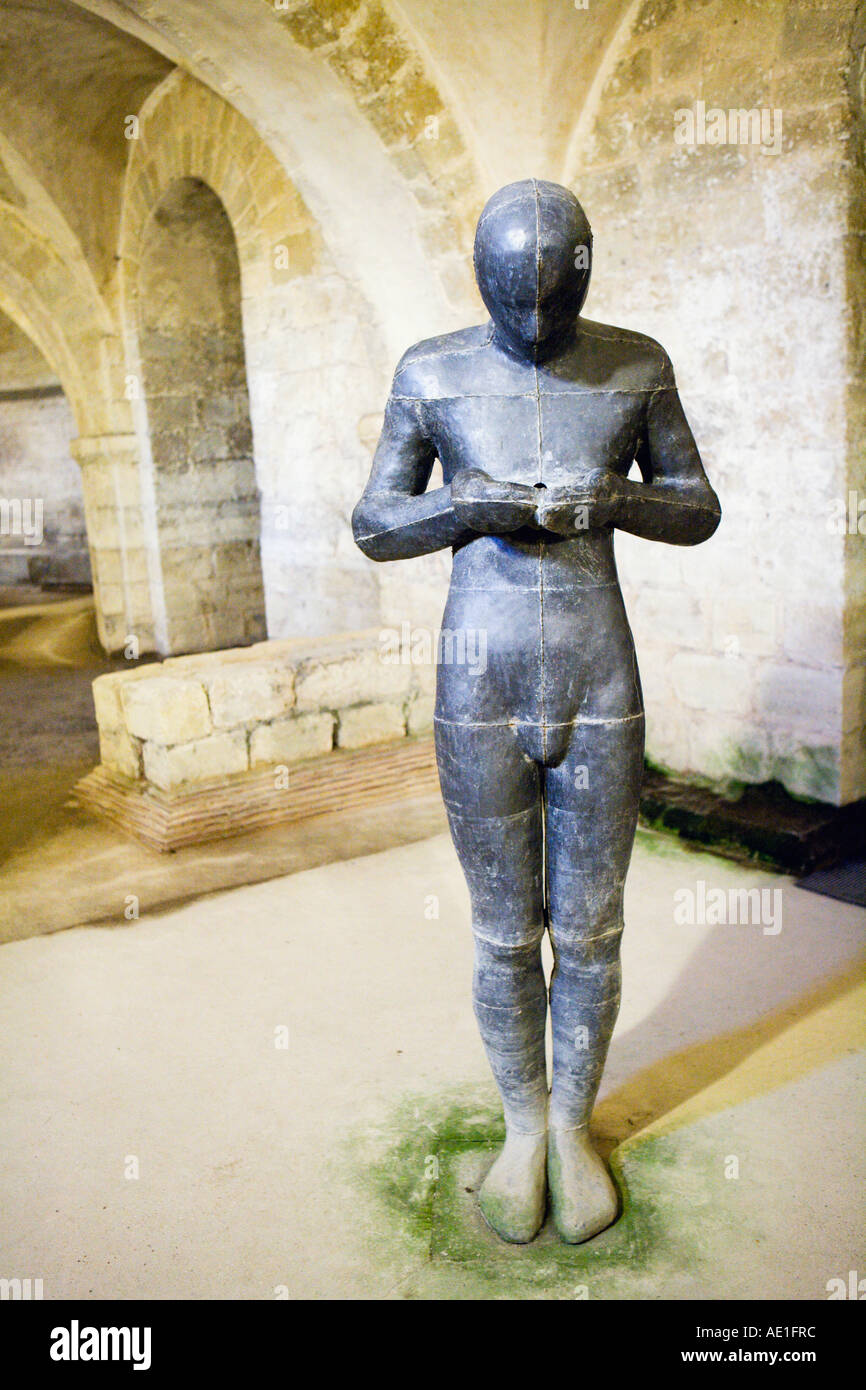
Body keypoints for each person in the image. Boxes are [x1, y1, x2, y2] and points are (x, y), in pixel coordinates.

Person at [352, 179, 721, 1244]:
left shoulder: (632, 362)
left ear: (582, 279)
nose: (530, 327)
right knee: (505, 929)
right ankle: (522, 1126)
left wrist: (615, 502)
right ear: (477, 281)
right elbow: (375, 521)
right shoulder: (432, 369)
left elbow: (695, 503)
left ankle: (572, 1126)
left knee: (593, 926)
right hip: (480, 677)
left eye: (550, 308)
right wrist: (473, 506)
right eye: (509, 305)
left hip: (598, 676)